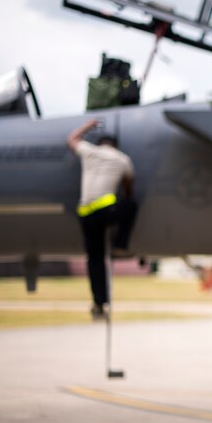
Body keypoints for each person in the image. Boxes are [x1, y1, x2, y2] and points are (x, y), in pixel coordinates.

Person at [66, 119, 137, 320]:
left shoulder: (88, 152)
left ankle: (99, 301)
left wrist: (88, 124)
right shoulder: (122, 159)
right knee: (131, 206)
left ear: (101, 144)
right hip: (106, 210)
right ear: (114, 145)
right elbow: (129, 186)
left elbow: (71, 139)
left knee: (94, 258)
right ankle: (120, 245)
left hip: (85, 213)